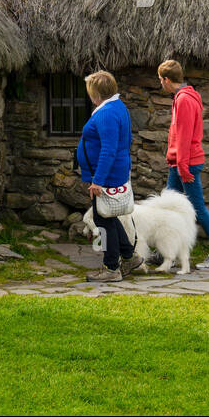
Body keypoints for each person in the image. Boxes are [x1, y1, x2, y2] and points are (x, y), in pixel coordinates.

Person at [159, 59, 209, 268]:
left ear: (166, 79)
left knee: (197, 208)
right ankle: (167, 253)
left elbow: (184, 136)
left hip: (186, 164)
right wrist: (172, 158)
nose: (160, 85)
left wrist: (181, 167)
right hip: (179, 162)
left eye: (160, 81)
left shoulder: (184, 100)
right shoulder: (187, 96)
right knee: (168, 207)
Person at [77, 69, 142, 282]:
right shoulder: (117, 107)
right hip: (113, 173)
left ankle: (111, 268)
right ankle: (130, 258)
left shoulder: (106, 113)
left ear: (96, 93)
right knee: (109, 217)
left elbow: (108, 149)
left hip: (107, 176)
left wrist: (98, 181)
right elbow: (127, 140)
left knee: (102, 220)